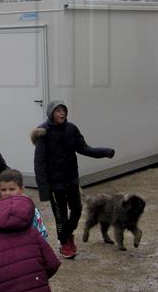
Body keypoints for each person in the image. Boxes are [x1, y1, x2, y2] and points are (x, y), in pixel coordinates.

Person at [31, 100, 115, 259]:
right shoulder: (43, 132)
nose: (62, 113)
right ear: (51, 113)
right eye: (58, 111)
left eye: (64, 110)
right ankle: (65, 243)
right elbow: (39, 163)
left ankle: (68, 234)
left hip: (71, 180)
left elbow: (84, 148)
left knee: (76, 211)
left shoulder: (71, 129)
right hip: (55, 184)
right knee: (60, 216)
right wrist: (43, 189)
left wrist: (104, 152)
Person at [0, 168, 49, 239]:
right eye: (3, 190)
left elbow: (41, 233)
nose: (7, 193)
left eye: (12, 189)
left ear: (21, 189)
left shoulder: (31, 210)